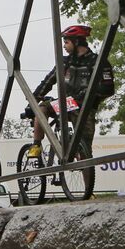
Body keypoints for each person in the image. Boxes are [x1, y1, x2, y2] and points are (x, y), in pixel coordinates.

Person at [28, 24, 114, 158]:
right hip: (66, 103)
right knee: (42, 108)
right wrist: (32, 101)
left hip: (86, 108)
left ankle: (84, 167)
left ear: (77, 42)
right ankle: (36, 145)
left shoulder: (97, 61)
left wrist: (87, 94)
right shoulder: (64, 62)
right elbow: (48, 82)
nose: (64, 46)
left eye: (66, 42)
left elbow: (108, 88)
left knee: (85, 154)